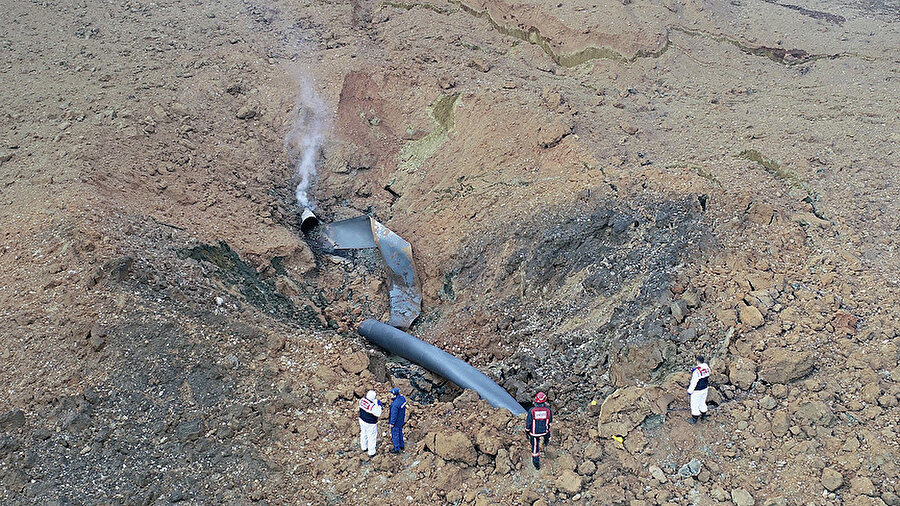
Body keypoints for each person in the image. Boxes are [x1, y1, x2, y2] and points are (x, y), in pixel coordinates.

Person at [525, 391, 552, 470]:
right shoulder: (548, 410)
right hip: (544, 431)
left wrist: (527, 431)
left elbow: (528, 422)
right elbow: (550, 420)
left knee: (535, 447)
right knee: (547, 435)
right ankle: (546, 442)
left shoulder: (532, 411)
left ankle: (536, 464)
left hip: (534, 433)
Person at [358, 390, 383, 457]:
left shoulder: (362, 400)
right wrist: (379, 406)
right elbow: (378, 413)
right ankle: (371, 452)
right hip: (370, 423)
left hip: (362, 419)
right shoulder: (372, 406)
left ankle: (364, 447)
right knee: (371, 436)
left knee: (363, 433)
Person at [687, 355, 711, 424]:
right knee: (702, 402)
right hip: (705, 389)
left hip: (697, 391)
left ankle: (694, 420)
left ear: (697, 361)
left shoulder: (696, 372)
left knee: (694, 405)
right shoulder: (707, 368)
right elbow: (706, 373)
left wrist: (690, 391)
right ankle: (703, 417)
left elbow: (693, 382)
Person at [388, 387, 407, 453]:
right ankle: (402, 445)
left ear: (394, 395)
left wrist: (392, 423)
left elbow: (394, 415)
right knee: (400, 432)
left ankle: (396, 449)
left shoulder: (394, 405)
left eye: (391, 394)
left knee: (395, 434)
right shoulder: (402, 399)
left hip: (396, 422)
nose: (390, 395)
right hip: (401, 419)